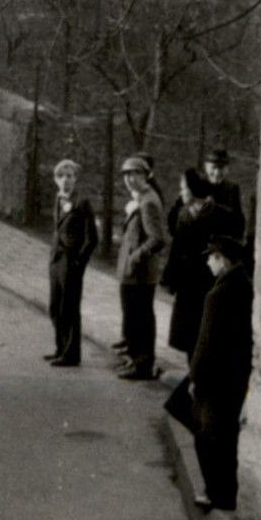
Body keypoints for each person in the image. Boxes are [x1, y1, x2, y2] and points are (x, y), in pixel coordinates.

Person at [189, 236, 255, 512]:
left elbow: (205, 343)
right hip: (237, 375)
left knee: (206, 436)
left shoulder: (216, 296)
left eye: (212, 257)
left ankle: (217, 493)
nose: (208, 262)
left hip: (214, 378)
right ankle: (226, 491)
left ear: (223, 260)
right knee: (228, 436)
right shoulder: (246, 286)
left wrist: (195, 378)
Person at [162, 168, 233, 356]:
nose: (181, 193)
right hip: (186, 283)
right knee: (187, 335)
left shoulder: (219, 214)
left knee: (205, 331)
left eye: (184, 189)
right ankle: (192, 372)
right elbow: (176, 246)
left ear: (194, 190)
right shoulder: (183, 214)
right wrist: (170, 277)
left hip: (206, 281)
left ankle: (199, 375)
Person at [115, 154, 169, 380]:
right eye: (126, 174)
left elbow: (157, 239)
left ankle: (143, 365)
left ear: (145, 176)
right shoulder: (141, 197)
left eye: (135, 174)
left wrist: (135, 258)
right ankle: (136, 360)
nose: (129, 179)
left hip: (140, 273)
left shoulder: (148, 201)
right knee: (134, 317)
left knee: (141, 318)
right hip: (131, 271)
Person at [45, 159, 98, 367]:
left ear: (75, 179)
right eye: (61, 176)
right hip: (56, 259)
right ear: (56, 180)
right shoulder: (58, 199)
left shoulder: (81, 202)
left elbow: (92, 237)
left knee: (69, 307)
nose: (65, 180)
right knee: (54, 306)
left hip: (71, 261)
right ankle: (60, 347)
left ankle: (71, 353)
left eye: (69, 176)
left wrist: (79, 261)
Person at [201, 149, 247, 240]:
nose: (217, 173)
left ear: (227, 169)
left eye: (221, 168)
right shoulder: (198, 186)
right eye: (213, 168)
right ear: (206, 167)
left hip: (224, 243)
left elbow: (238, 221)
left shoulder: (232, 189)